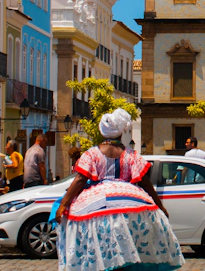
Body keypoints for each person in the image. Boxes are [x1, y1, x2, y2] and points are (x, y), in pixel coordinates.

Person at [55, 109, 184, 270]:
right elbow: (145, 183)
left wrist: (64, 205)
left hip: (98, 201)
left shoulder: (92, 154)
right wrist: (159, 205)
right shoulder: (131, 154)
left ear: (102, 132)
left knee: (78, 226)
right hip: (131, 200)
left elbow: (80, 179)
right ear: (120, 134)